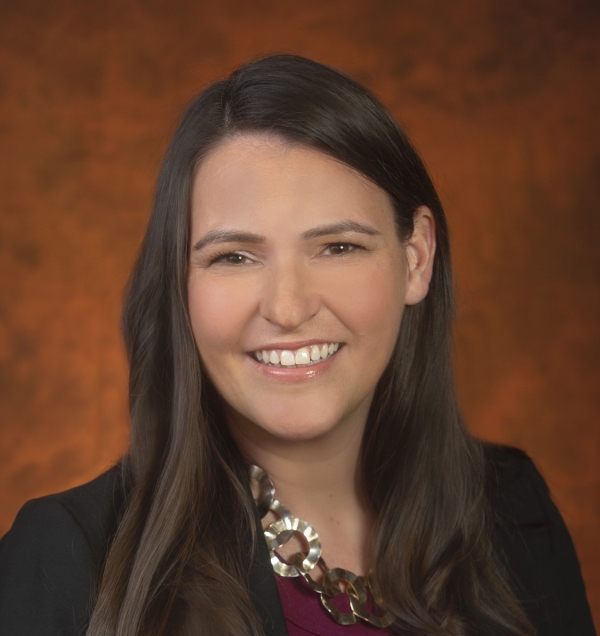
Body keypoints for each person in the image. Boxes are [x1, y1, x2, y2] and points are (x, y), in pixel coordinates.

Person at [0, 54, 595, 636]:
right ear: (179, 284)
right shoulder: (69, 559)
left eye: (337, 247)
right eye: (233, 257)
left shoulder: (514, 513)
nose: (287, 309)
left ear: (416, 259)